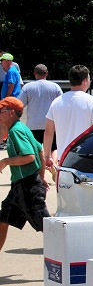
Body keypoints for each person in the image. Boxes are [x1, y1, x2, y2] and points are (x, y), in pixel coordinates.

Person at [0, 97, 50, 253]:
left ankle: (73, 255)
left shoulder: (16, 130)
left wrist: (6, 161)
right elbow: (40, 151)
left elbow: (30, 156)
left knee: (48, 228)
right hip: (19, 186)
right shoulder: (19, 127)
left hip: (28, 187)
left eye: (1, 111)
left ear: (11, 113)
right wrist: (42, 177)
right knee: (3, 220)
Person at [43, 65, 93, 168]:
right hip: (87, 157)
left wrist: (47, 156)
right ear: (85, 81)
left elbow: (48, 132)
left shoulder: (56, 102)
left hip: (64, 158)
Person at [18, 64, 62, 145]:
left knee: (35, 151)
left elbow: (20, 104)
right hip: (51, 125)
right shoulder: (55, 87)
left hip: (33, 125)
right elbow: (62, 105)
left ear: (35, 73)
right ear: (47, 73)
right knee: (53, 150)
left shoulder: (27, 87)